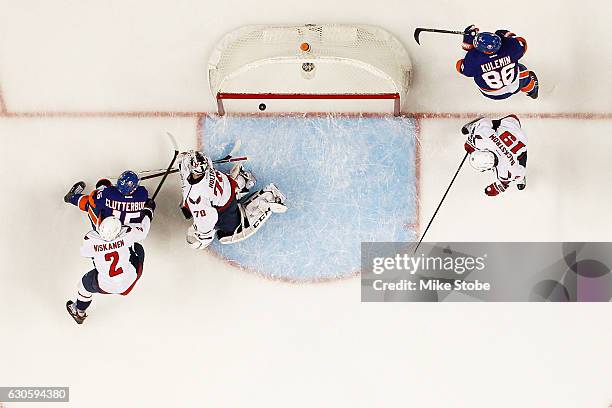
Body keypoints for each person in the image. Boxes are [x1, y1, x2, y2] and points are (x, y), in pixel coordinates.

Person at [66, 198, 155, 324]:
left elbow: (84, 252)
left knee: (83, 286)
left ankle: (79, 312)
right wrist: (148, 210)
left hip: (106, 285)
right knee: (138, 246)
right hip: (131, 279)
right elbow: (143, 230)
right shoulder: (127, 234)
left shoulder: (90, 239)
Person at [178, 150, 287, 249]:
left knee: (231, 231)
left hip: (226, 206)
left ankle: (268, 198)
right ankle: (241, 180)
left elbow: (208, 219)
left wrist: (203, 235)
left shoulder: (196, 196)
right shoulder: (205, 164)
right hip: (227, 184)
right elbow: (186, 159)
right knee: (192, 207)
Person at [456, 25, 539, 100]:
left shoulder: (474, 58)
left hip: (491, 93)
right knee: (523, 71)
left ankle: (531, 90)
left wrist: (467, 44)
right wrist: (506, 34)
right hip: (514, 86)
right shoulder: (511, 47)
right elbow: (522, 43)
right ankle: (532, 91)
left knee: (476, 70)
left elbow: (461, 68)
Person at [462, 115, 527, 196]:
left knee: (519, 171)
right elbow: (485, 121)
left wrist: (492, 190)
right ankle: (473, 126)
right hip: (512, 123)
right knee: (486, 126)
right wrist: (471, 143)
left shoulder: (504, 171)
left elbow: (503, 184)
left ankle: (520, 179)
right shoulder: (483, 139)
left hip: (521, 147)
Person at [64, 170, 149, 228]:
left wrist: (102, 189)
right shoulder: (142, 193)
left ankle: (71, 197)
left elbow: (93, 197)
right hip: (128, 234)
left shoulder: (108, 193)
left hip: (107, 230)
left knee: (91, 203)